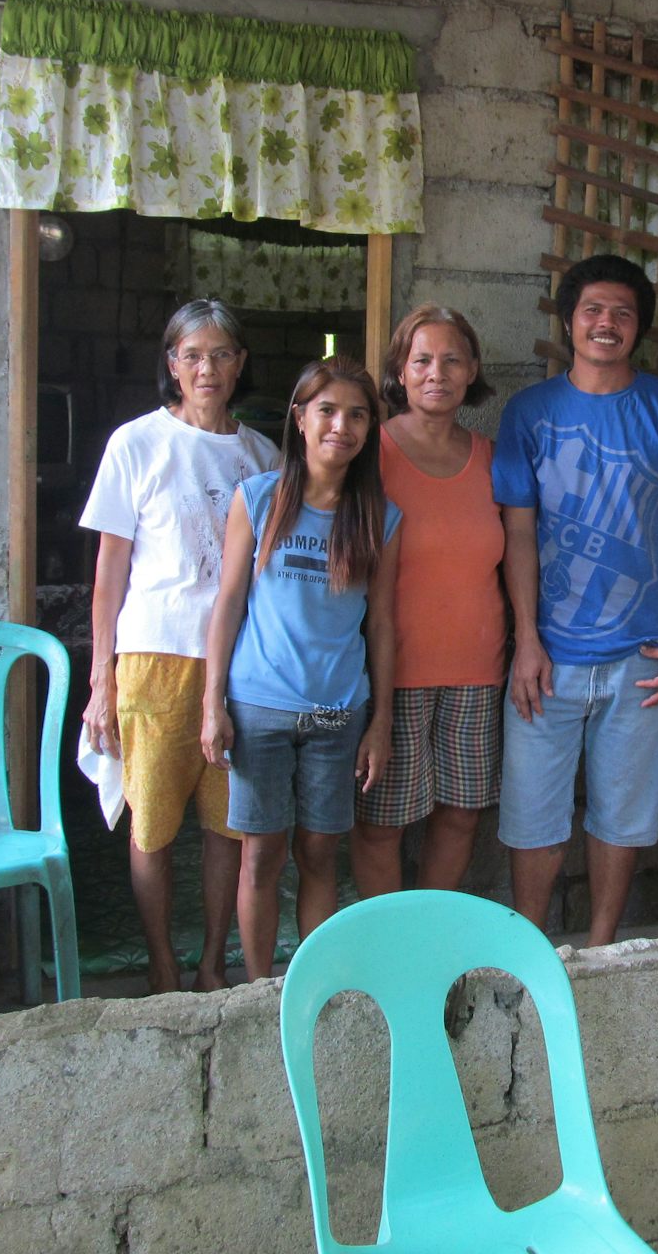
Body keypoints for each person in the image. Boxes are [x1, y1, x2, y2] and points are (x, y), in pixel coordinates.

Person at [493, 253, 658, 946]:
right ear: (569, 320)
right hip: (548, 658)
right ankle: (531, 949)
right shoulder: (529, 412)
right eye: (592, 309)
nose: (606, 324)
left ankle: (599, 949)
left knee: (624, 816)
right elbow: (517, 531)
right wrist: (526, 639)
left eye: (622, 312)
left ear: (641, 326)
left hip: (643, 659)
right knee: (533, 816)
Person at [79, 299, 280, 994]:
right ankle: (163, 961)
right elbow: (110, 571)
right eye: (192, 355)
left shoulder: (262, 456)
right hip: (153, 660)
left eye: (222, 354)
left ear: (240, 365)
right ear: (171, 364)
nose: (207, 368)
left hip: (240, 666)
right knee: (152, 826)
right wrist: (101, 679)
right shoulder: (135, 444)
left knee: (229, 827)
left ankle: (211, 961)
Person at [199, 356, 401, 977]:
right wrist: (212, 704)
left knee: (319, 853)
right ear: (301, 418)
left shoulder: (379, 517)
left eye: (358, 415)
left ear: (369, 429)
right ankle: (260, 989)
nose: (342, 426)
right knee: (262, 855)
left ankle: (310, 984)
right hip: (258, 707)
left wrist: (380, 723)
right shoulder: (258, 500)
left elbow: (383, 623)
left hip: (336, 712)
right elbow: (228, 602)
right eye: (328, 411)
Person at [352, 306, 506, 896]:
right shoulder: (370, 453)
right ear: (400, 370)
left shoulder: (492, 458)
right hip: (392, 673)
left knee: (461, 813)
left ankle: (431, 938)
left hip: (477, 669)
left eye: (451, 360)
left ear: (471, 372)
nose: (435, 372)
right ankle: (389, 952)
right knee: (381, 823)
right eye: (421, 360)